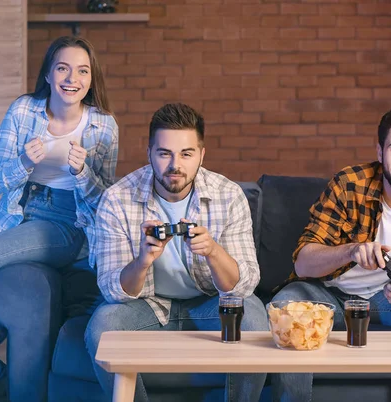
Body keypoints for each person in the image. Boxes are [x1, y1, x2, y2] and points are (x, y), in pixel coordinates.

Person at [272, 106, 391, 402]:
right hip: (327, 293)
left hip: (386, 297)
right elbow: (303, 262)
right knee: (284, 305)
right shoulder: (349, 184)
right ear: (380, 151)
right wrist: (351, 251)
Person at [85, 103, 270, 402]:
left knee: (252, 318)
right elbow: (113, 291)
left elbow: (244, 286)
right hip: (147, 306)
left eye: (186, 154)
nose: (175, 165)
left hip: (210, 303)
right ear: (149, 153)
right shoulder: (117, 199)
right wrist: (143, 261)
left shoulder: (229, 195)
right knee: (102, 325)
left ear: (201, 155)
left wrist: (212, 252)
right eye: (164, 153)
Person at [0, 36, 118, 399]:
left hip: (65, 222)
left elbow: (103, 204)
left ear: (91, 80)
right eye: (62, 68)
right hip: (15, 216)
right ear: (47, 74)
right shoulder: (23, 110)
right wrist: (24, 163)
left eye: (82, 70)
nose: (71, 77)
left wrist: (81, 174)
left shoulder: (103, 126)